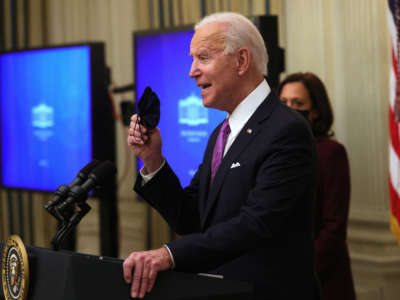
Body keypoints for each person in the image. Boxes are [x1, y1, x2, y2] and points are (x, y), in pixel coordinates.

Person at [124, 12, 318, 300]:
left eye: (203, 57)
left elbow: (256, 224)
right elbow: (191, 218)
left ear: (241, 61)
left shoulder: (286, 130)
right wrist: (153, 161)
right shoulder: (221, 133)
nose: (192, 71)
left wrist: (168, 255)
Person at [279, 72, 356, 300]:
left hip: (321, 281)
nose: (290, 109)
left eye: (298, 103)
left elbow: (334, 229)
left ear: (315, 112)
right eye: (283, 103)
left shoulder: (330, 153)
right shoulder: (276, 152)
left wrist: (298, 271)